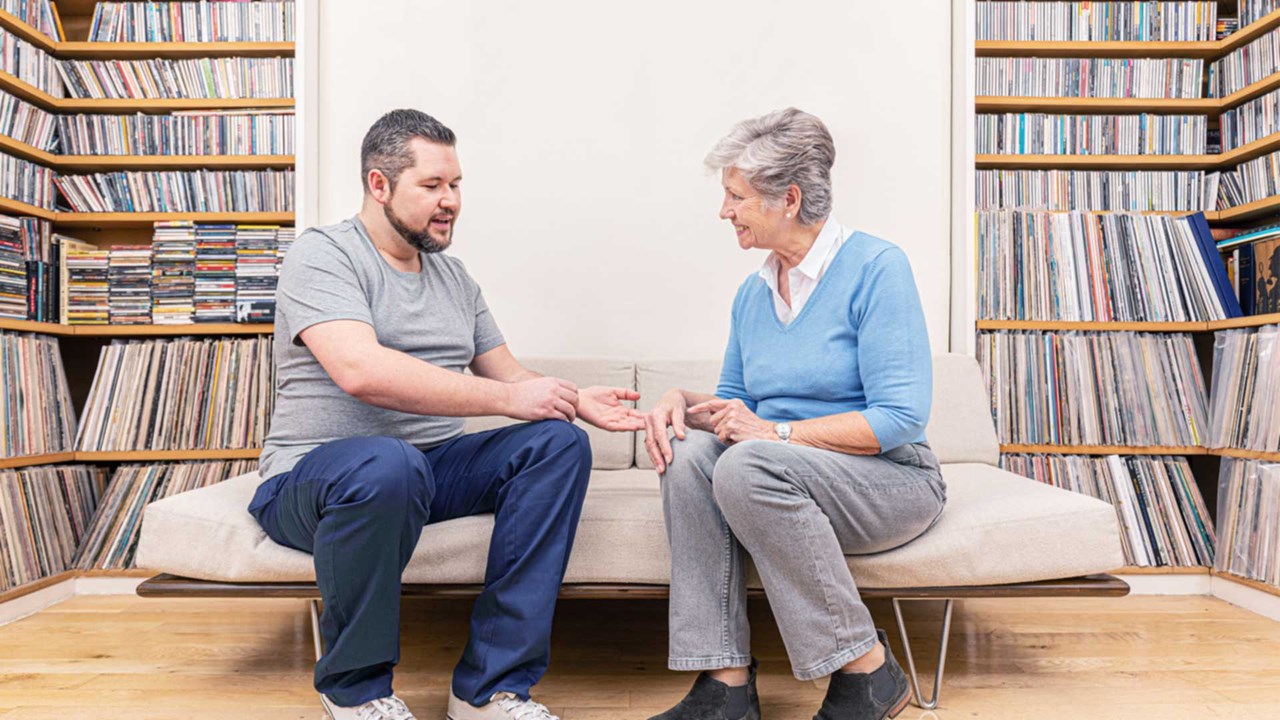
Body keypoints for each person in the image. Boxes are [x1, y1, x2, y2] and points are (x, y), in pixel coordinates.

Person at [250, 109, 645, 720]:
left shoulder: (454, 278)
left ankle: (489, 688)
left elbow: (510, 376)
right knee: (389, 461)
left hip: (424, 473)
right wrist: (510, 400)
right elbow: (361, 371)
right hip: (316, 481)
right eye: (432, 186)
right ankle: (356, 692)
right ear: (379, 185)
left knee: (558, 444)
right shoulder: (323, 255)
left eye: (456, 184)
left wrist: (571, 400)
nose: (451, 201)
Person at [642, 108, 945, 720]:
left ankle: (867, 670)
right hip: (782, 474)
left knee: (748, 464)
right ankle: (725, 686)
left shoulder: (876, 268)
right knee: (690, 457)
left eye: (735, 196)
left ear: (790, 198)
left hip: (889, 479)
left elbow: (900, 418)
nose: (724, 211)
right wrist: (684, 402)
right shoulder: (753, 294)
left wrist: (774, 434)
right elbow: (737, 409)